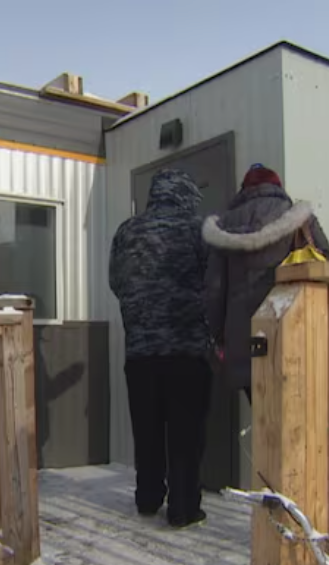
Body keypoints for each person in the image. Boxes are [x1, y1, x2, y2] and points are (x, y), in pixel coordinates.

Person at [108, 167, 212, 529]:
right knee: (185, 434)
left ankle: (148, 498)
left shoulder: (126, 230)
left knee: (147, 431)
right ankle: (184, 508)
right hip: (187, 350)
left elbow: (116, 282)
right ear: (185, 195)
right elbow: (213, 283)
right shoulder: (199, 230)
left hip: (140, 352)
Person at [202, 164, 329, 403]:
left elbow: (213, 291)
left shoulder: (224, 227)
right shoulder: (298, 219)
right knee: (298, 423)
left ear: (244, 190)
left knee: (264, 423)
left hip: (245, 346)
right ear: (277, 187)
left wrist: (218, 337)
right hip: (294, 339)